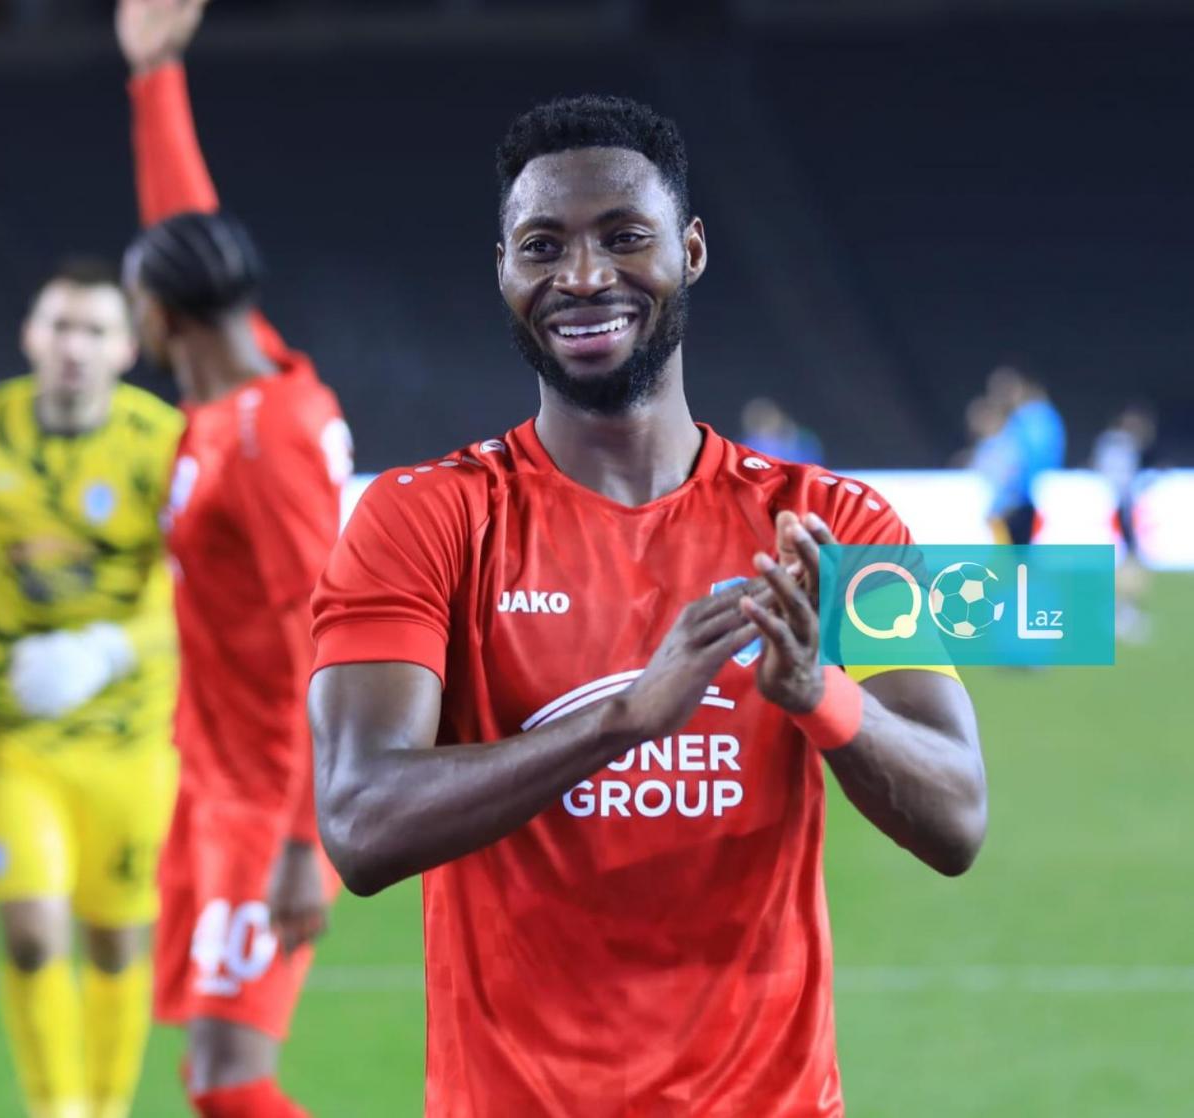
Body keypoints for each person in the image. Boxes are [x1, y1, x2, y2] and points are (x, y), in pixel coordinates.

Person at [308, 94, 988, 1116]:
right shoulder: (427, 519)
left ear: (691, 250)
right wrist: (622, 718)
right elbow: (359, 822)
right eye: (542, 246)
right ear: (503, 270)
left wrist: (819, 696)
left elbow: (956, 816)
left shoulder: (828, 523)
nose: (583, 276)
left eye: (624, 236)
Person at [116, 1, 353, 1113]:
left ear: (162, 320)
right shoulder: (235, 390)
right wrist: (154, 77)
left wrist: (304, 838)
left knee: (227, 1077)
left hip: (267, 800)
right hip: (214, 783)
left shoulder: (263, 443)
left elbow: (328, 633)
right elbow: (184, 229)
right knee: (209, 1071)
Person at [0, 257, 184, 1118]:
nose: (72, 346)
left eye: (93, 331)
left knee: (115, 940)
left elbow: (208, 589)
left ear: (125, 347)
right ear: (30, 336)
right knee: (31, 934)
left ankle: (105, 1106)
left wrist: (106, 649)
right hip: (11, 735)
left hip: (131, 734)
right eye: (59, 326)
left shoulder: (164, 444)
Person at [1093, 404, 1157, 642]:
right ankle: (1122, 612)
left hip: (1110, 507)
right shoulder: (1123, 445)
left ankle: (1118, 610)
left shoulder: (1108, 442)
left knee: (1123, 561)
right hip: (1118, 507)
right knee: (1129, 561)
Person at [982, 364, 1065, 544]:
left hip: (1022, 502)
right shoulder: (1043, 417)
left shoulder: (1029, 419)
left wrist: (1007, 501)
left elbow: (1019, 464)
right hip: (1034, 498)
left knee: (1017, 551)